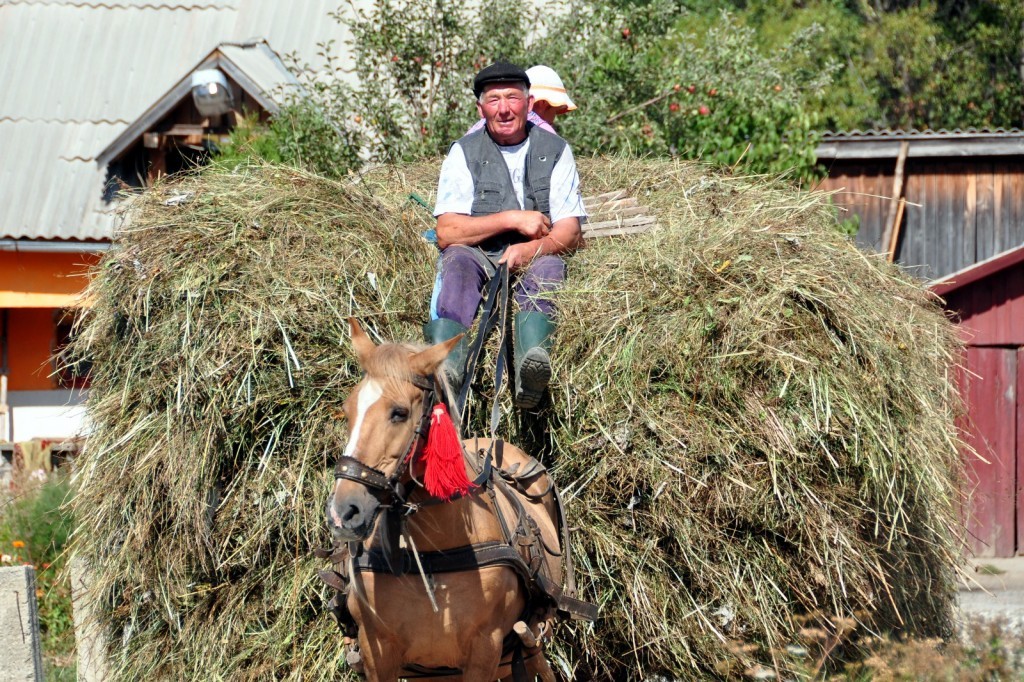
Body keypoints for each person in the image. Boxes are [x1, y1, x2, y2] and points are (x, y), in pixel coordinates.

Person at [425, 61, 586, 410]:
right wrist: (513, 218)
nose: (504, 108)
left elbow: (570, 232)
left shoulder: (557, 150)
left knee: (549, 270)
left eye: (513, 97)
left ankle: (532, 370)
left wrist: (529, 251)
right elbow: (448, 232)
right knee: (457, 263)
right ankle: (448, 367)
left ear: (529, 103)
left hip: (536, 252)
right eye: (494, 99)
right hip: (477, 253)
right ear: (480, 108)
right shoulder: (462, 152)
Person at [464, 64, 577, 136]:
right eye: (554, 109)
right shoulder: (546, 135)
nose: (504, 109)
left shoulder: (474, 133)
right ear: (543, 103)